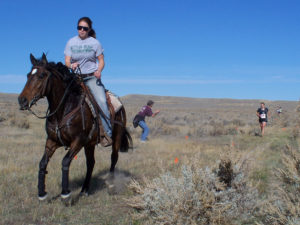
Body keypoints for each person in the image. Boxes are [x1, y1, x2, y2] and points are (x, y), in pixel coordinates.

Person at [64, 17, 112, 146]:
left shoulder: (95, 43)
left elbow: (101, 60)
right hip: (75, 77)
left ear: (89, 29)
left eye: (85, 28)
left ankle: (106, 134)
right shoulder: (71, 42)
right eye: (79, 27)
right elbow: (67, 61)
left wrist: (99, 70)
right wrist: (71, 65)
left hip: (91, 77)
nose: (82, 30)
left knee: (102, 101)